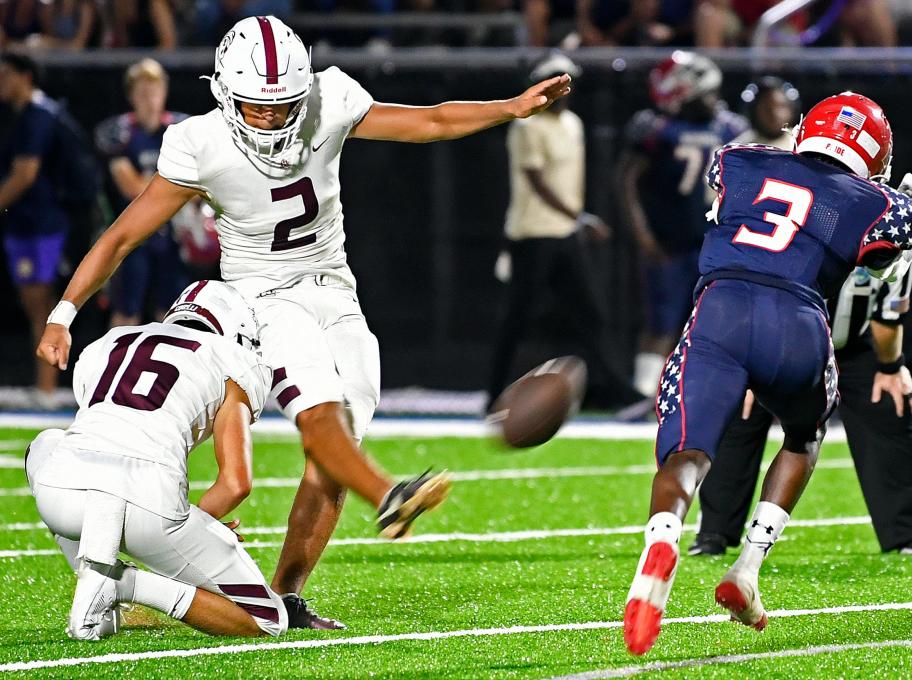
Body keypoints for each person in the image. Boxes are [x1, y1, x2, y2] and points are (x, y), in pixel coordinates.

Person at [37, 14, 570, 628]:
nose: (268, 117)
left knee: (334, 453)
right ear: (224, 94)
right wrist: (64, 311)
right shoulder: (200, 142)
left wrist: (510, 107)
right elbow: (123, 235)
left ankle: (286, 592)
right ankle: (390, 495)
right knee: (321, 416)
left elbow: (429, 120)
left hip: (335, 289)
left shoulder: (329, 98)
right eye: (254, 106)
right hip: (261, 297)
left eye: (281, 104)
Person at [621, 92, 912, 656]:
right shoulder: (876, 200)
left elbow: (739, 196)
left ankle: (663, 541)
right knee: (804, 437)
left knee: (687, 453)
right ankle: (749, 570)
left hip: (721, 314)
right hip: (799, 327)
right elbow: (879, 251)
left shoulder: (739, 159)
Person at [26, 280, 288, 640]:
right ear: (237, 332)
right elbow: (235, 483)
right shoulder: (232, 361)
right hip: (149, 507)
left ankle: (96, 581)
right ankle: (122, 586)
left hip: (61, 496)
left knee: (44, 445)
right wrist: (199, 530)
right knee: (268, 619)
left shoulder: (111, 342)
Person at [691, 259, 912, 556]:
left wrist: (892, 367)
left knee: (888, 398)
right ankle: (714, 531)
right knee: (740, 408)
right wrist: (742, 354)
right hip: (775, 341)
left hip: (850, 344)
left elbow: (887, 317)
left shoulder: (896, 239)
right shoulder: (813, 230)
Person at [487, 53, 644, 413]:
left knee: (591, 315)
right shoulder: (526, 124)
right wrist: (581, 216)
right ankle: (493, 395)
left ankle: (620, 393)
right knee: (517, 320)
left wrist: (575, 220)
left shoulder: (572, 123)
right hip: (532, 234)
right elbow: (536, 179)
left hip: (565, 234)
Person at [617, 51, 747, 398]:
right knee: (661, 324)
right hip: (669, 240)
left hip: (716, 243)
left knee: (714, 326)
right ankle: (644, 397)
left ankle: (700, 396)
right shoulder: (657, 127)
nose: (711, 99)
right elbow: (626, 180)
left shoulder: (730, 127)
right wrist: (643, 234)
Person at [94, 59, 190, 327]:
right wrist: (174, 182)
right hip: (132, 235)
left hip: (173, 235)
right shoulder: (119, 133)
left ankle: (171, 367)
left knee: (172, 314)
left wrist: (158, 183)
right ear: (131, 95)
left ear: (165, 92)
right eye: (142, 91)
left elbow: (197, 186)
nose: (149, 98)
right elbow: (133, 188)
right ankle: (118, 369)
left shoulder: (182, 130)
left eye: (154, 90)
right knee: (126, 313)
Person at [0, 52, 72, 405]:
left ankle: (46, 389)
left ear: (25, 76)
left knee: (41, 303)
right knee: (35, 303)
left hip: (41, 227)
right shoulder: (27, 116)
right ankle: (44, 386)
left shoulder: (37, 117)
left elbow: (24, 174)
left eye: (5, 74)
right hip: (30, 224)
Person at [734, 76, 800, 150]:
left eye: (781, 106)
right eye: (766, 108)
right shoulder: (739, 150)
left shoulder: (804, 145)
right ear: (753, 111)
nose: (774, 113)